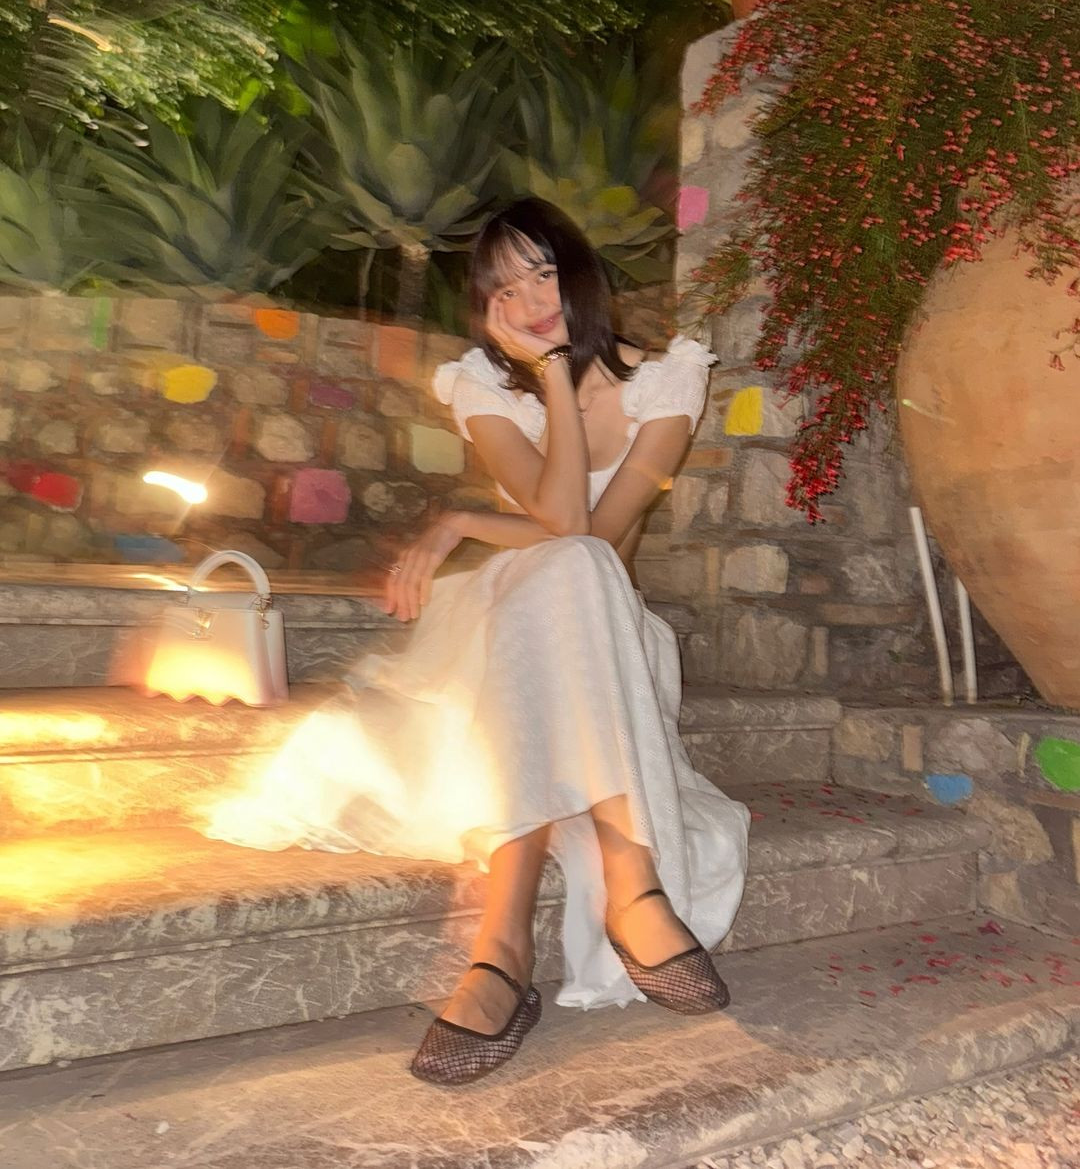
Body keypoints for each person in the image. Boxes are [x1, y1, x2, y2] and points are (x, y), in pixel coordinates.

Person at [205, 198, 749, 1086]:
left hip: (611, 635)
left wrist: (462, 518)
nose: (530, 301)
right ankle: (620, 889)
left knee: (577, 569)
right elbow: (559, 517)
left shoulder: (669, 379)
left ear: (581, 273)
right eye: (505, 288)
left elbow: (594, 533)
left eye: (544, 272)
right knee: (558, 573)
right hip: (506, 616)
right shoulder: (482, 386)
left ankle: (505, 953)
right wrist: (550, 376)